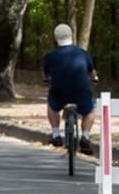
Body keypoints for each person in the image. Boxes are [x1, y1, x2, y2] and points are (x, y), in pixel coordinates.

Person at [42, 23, 99, 154]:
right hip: (80, 92)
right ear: (71, 36)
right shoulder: (83, 53)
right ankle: (85, 136)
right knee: (90, 109)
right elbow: (92, 72)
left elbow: (45, 74)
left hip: (59, 92)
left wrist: (46, 79)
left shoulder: (50, 56)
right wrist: (95, 78)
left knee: (52, 105)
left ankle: (56, 133)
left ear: (55, 38)